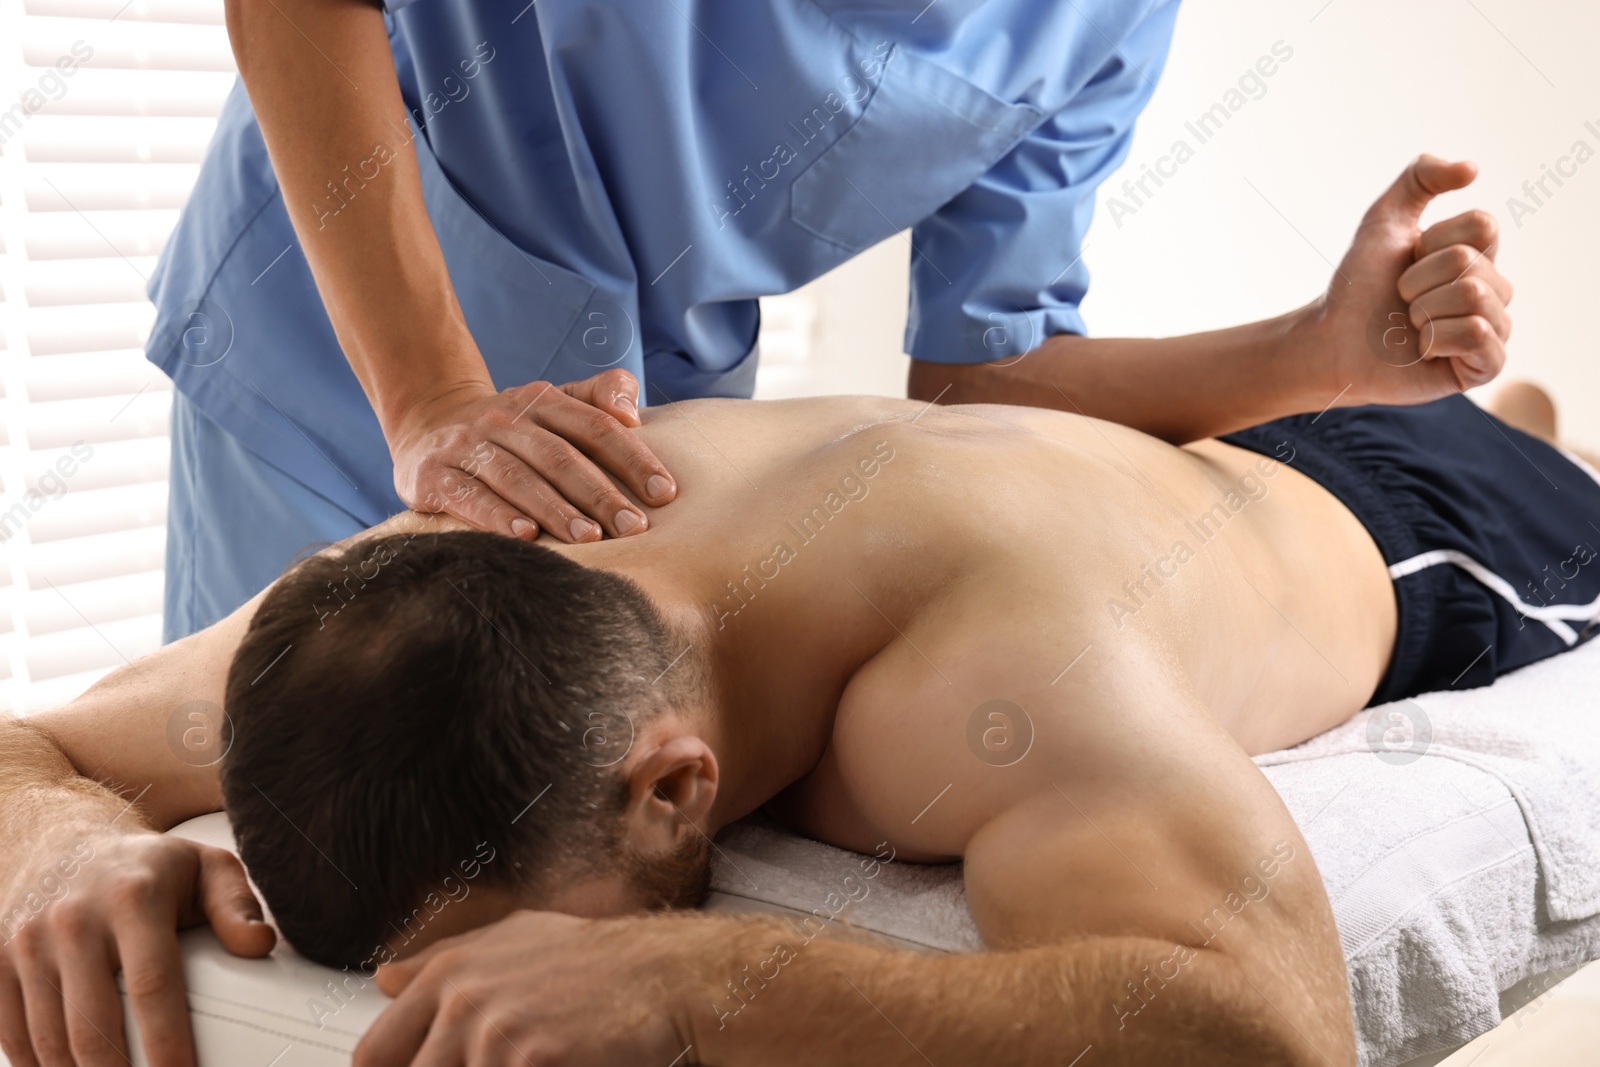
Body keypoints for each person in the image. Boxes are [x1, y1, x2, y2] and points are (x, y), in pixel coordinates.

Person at [4, 379, 1595, 1067]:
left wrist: (689, 976)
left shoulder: (987, 679)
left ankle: (1510, 424)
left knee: (1527, 455)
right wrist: (62, 847)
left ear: (675, 788)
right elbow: (32, 749)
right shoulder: (401, 600)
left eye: (520, 933)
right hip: (1090, 464)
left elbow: (1268, 1031)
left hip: (1411, 532)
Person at [152, 0, 1513, 641]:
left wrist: (1321, 354)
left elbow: (986, 380)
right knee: (243, 849)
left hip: (639, 432)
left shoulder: (1101, 25)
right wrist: (429, 401)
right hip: (338, 346)